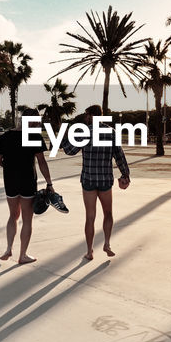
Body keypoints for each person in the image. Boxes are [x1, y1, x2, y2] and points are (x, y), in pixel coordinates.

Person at [62, 105, 131, 260]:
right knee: (108, 213)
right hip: (105, 180)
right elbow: (119, 155)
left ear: (91, 116)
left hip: (89, 180)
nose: (86, 117)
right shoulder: (111, 133)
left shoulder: (84, 132)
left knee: (90, 217)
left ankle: (89, 251)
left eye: (87, 115)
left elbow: (69, 150)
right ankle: (107, 243)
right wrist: (125, 174)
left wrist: (66, 136)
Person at [0, 107, 55, 264]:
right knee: (27, 219)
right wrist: (49, 183)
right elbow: (41, 162)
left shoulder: (6, 136)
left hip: (10, 181)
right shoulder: (33, 137)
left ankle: (8, 249)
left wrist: (10, 169)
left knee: (13, 215)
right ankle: (23, 255)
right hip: (27, 181)